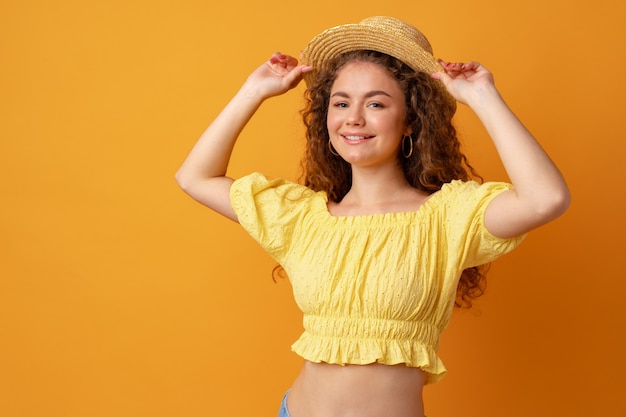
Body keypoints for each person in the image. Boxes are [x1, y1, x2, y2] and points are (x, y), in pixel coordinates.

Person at [176, 16, 569, 417]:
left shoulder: (446, 219)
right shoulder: (302, 218)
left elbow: (545, 198)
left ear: (410, 121)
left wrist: (484, 96)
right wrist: (254, 91)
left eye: (376, 103)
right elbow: (194, 177)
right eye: (341, 103)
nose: (354, 118)